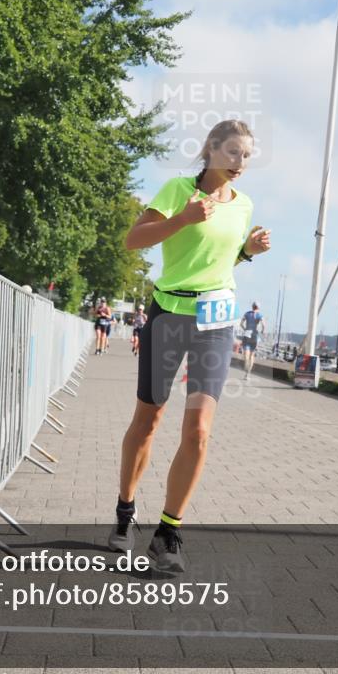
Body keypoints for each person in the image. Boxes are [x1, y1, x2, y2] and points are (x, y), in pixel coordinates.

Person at [107, 120, 271, 572]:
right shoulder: (178, 189)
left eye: (247, 157)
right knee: (149, 419)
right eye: (234, 153)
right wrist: (182, 218)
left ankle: (168, 533)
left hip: (216, 320)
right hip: (169, 314)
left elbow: (218, 260)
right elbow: (133, 240)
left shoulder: (244, 205)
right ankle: (125, 512)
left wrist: (248, 252)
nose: (241, 164)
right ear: (212, 149)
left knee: (199, 430)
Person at [239, 302, 265, 378]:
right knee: (252, 355)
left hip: (247, 335)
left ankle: (246, 367)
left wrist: (245, 329)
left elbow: (241, 324)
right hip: (254, 336)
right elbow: (264, 325)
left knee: (246, 356)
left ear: (252, 306)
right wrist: (262, 331)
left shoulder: (247, 314)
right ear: (258, 307)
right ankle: (248, 374)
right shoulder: (260, 315)